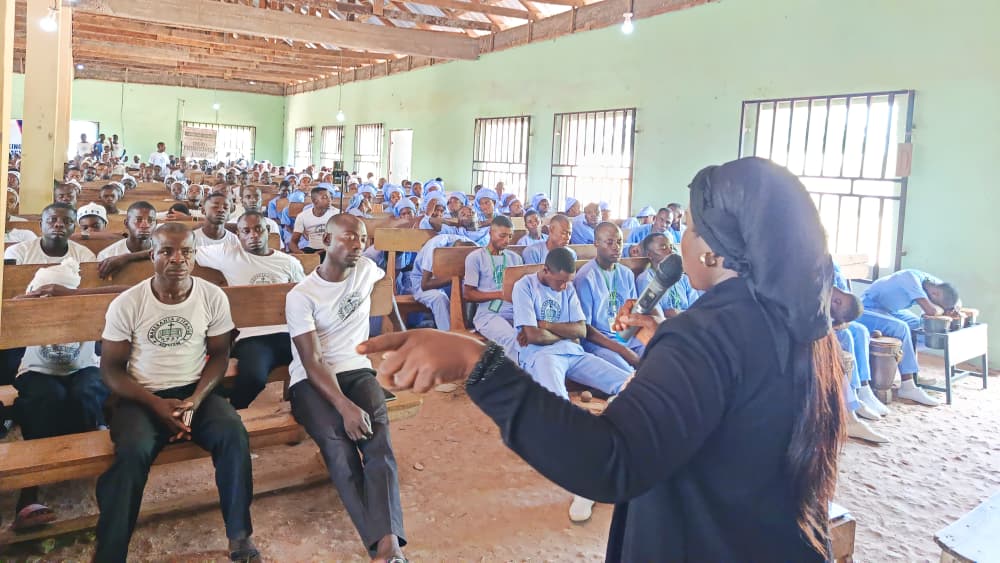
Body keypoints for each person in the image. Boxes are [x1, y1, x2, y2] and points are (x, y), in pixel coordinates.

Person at [359, 157, 847, 561]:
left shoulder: (707, 333)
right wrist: (665, 346)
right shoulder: (798, 319)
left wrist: (475, 362)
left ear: (715, 252)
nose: (681, 241)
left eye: (690, 229)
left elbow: (610, 461)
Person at [96, 223, 257, 562]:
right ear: (152, 255)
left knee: (232, 433)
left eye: (186, 251)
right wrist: (156, 404)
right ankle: (110, 553)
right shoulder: (129, 302)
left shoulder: (212, 296)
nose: (177, 259)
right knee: (134, 449)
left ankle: (240, 537)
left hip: (192, 391)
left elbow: (220, 355)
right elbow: (110, 369)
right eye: (167, 251)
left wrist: (195, 401)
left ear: (195, 256)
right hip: (141, 394)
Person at [285, 214, 407, 561]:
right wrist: (344, 406)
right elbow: (312, 361)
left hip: (357, 371)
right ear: (326, 241)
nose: (357, 245)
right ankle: (383, 543)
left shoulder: (367, 271)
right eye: (349, 238)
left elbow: (388, 294)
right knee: (338, 441)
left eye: (363, 238)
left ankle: (388, 545)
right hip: (312, 381)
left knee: (377, 441)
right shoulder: (302, 295)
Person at [511, 246, 632, 523]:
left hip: (574, 353)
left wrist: (546, 326)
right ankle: (584, 481)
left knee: (625, 382)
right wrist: (555, 331)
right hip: (540, 357)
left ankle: (626, 451)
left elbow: (580, 330)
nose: (565, 286)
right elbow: (532, 336)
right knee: (559, 410)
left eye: (568, 281)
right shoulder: (525, 287)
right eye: (559, 281)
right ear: (545, 271)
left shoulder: (567, 286)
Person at [10, 260, 110, 531]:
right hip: (37, 371)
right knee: (47, 396)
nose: (50, 297)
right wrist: (32, 296)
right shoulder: (27, 307)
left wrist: (71, 296)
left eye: (59, 291)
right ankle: (29, 491)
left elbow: (125, 292)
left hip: (83, 369)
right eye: (43, 291)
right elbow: (9, 310)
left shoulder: (82, 306)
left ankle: (96, 455)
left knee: (87, 390)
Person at [196, 211, 306, 408]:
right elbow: (186, 249)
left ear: (267, 231)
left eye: (258, 229)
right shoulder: (227, 254)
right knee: (254, 376)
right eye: (246, 231)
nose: (253, 235)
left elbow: (305, 295)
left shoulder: (287, 262)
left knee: (316, 365)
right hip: (252, 337)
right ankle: (232, 410)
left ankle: (301, 408)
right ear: (238, 235)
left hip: (288, 333)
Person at [857, 269, 961, 406]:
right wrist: (941, 309)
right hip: (867, 309)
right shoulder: (910, 278)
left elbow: (955, 298)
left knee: (921, 327)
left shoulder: (930, 281)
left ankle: (912, 371)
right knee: (902, 328)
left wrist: (954, 307)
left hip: (890, 310)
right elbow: (931, 310)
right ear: (935, 294)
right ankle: (908, 385)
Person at [574, 222, 648, 371]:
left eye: (619, 242)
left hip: (626, 336)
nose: (616, 247)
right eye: (610, 242)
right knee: (627, 372)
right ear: (596, 243)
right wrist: (622, 350)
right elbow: (586, 329)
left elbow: (633, 313)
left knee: (657, 355)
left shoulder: (626, 273)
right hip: (599, 342)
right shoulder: (586, 277)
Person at [831, 286, 889, 444]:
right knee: (833, 352)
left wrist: (834, 324)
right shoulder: (815, 285)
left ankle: (856, 394)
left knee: (847, 334)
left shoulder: (826, 283)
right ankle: (850, 417)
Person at [463, 216, 523, 359]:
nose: (507, 240)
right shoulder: (476, 257)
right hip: (488, 314)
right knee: (512, 339)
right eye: (502, 236)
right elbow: (468, 294)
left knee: (536, 334)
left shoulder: (515, 258)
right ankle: (515, 379)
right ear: (490, 232)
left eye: (510, 236)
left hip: (514, 310)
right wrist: (499, 295)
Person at [406, 234, 476, 331]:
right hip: (422, 284)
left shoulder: (472, 247)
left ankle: (470, 331)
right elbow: (425, 285)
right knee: (439, 298)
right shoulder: (435, 247)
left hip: (452, 283)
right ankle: (449, 337)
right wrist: (455, 277)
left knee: (475, 291)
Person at [5, 203, 97, 265]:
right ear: (41, 224)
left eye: (67, 221)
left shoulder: (84, 255)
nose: (59, 224)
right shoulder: (17, 252)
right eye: (52, 220)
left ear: (74, 228)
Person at [637, 233, 700, 316]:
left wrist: (676, 313)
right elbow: (658, 314)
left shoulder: (683, 277)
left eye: (671, 247)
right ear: (650, 255)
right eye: (663, 247)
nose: (670, 251)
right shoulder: (645, 279)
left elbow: (697, 309)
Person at [97, 201, 158, 278]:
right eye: (138, 220)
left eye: (150, 220)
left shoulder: (163, 248)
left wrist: (127, 257)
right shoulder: (107, 255)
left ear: (156, 224)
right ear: (126, 223)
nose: (145, 225)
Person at [291, 187, 338, 254]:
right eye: (325, 197)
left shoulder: (337, 214)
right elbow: (293, 242)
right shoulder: (302, 216)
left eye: (330, 197)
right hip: (312, 249)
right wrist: (302, 254)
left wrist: (324, 250)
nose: (329, 200)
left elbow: (343, 239)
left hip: (332, 250)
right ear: (315, 201)